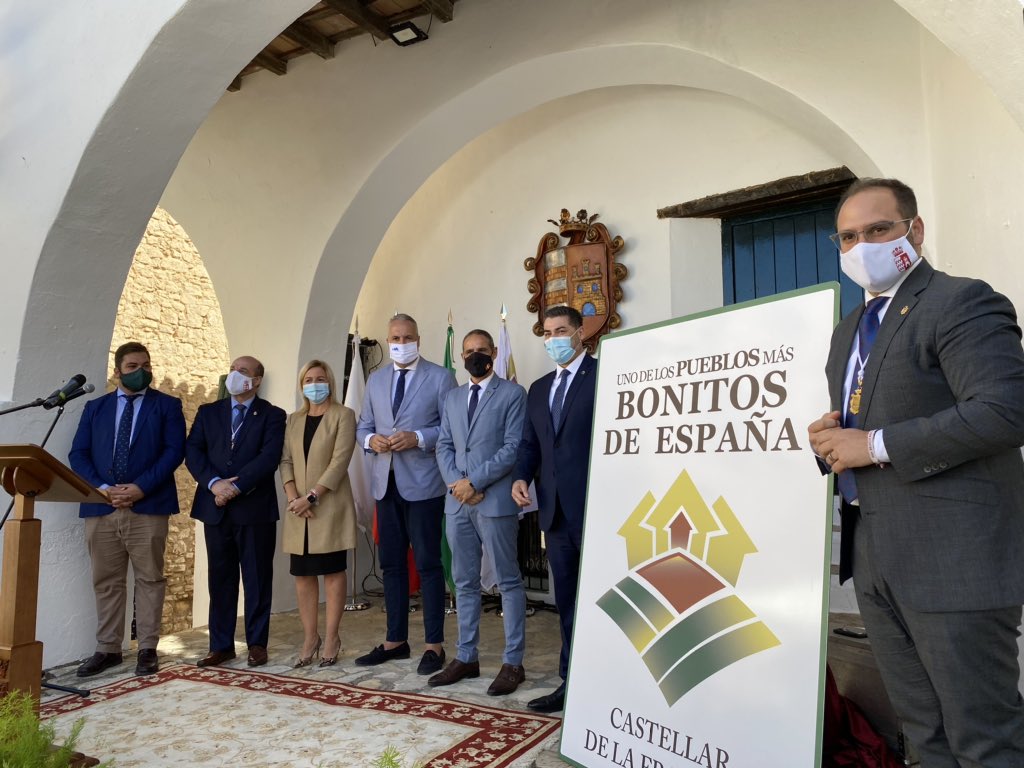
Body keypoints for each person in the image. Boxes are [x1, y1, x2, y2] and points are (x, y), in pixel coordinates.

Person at [807, 177, 1024, 767]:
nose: (862, 246)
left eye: (878, 229)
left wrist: (872, 444)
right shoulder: (848, 330)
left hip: (954, 559)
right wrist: (831, 442)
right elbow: (860, 429)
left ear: (915, 230)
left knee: (984, 737)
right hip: (876, 558)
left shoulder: (961, 301)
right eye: (848, 236)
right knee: (922, 733)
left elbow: (1005, 411)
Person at [68, 342, 186, 677]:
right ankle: (108, 648)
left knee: (150, 578)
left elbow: (172, 451)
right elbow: (79, 453)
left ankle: (147, 647)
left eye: (146, 365)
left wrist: (140, 488)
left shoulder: (167, 406)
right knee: (106, 580)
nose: (142, 372)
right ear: (117, 370)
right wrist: (103, 489)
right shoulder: (95, 408)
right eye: (133, 366)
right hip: (101, 507)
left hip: (148, 506)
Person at [354, 314, 457, 675]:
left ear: (418, 339)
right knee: (391, 565)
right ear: (388, 338)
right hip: (386, 483)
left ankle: (434, 645)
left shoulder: (441, 377)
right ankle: (395, 641)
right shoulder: (377, 379)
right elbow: (363, 426)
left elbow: (451, 426)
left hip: (425, 485)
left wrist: (419, 438)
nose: (400, 342)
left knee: (428, 563)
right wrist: (370, 440)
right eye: (394, 337)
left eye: (407, 336)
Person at [430, 329, 528, 695]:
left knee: (508, 581)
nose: (475, 356)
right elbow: (443, 445)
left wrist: (475, 482)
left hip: (495, 500)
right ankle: (466, 657)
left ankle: (513, 661)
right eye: (469, 351)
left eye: (481, 351)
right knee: (464, 582)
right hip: (457, 503)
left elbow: (512, 446)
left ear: (494, 353)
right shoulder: (453, 397)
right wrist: (458, 484)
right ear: (460, 355)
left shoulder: (513, 394)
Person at [512, 305, 596, 712]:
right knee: (566, 600)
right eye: (547, 333)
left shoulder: (605, 377)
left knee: (599, 600)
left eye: (561, 330)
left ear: (581, 332)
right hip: (555, 514)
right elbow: (531, 444)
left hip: (596, 510)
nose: (554, 339)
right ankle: (571, 682)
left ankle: (606, 680)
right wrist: (519, 477)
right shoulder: (539, 387)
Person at [186, 355, 286, 668]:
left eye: (242, 371)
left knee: (256, 579)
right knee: (221, 579)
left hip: (254, 510)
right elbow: (193, 452)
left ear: (256, 381)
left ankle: (256, 643)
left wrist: (234, 488)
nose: (234, 375)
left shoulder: (272, 415)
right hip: (214, 509)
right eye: (232, 369)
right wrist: (215, 484)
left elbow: (268, 458)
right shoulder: (208, 412)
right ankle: (221, 645)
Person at [279, 359, 357, 667]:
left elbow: (340, 462)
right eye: (309, 379)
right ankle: (310, 637)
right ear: (302, 386)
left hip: (329, 507)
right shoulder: (293, 420)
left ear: (330, 382)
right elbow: (284, 461)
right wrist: (294, 497)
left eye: (320, 378)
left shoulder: (344, 415)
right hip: (298, 509)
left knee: (333, 573)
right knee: (303, 575)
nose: (315, 383)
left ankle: (333, 637)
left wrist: (312, 496)